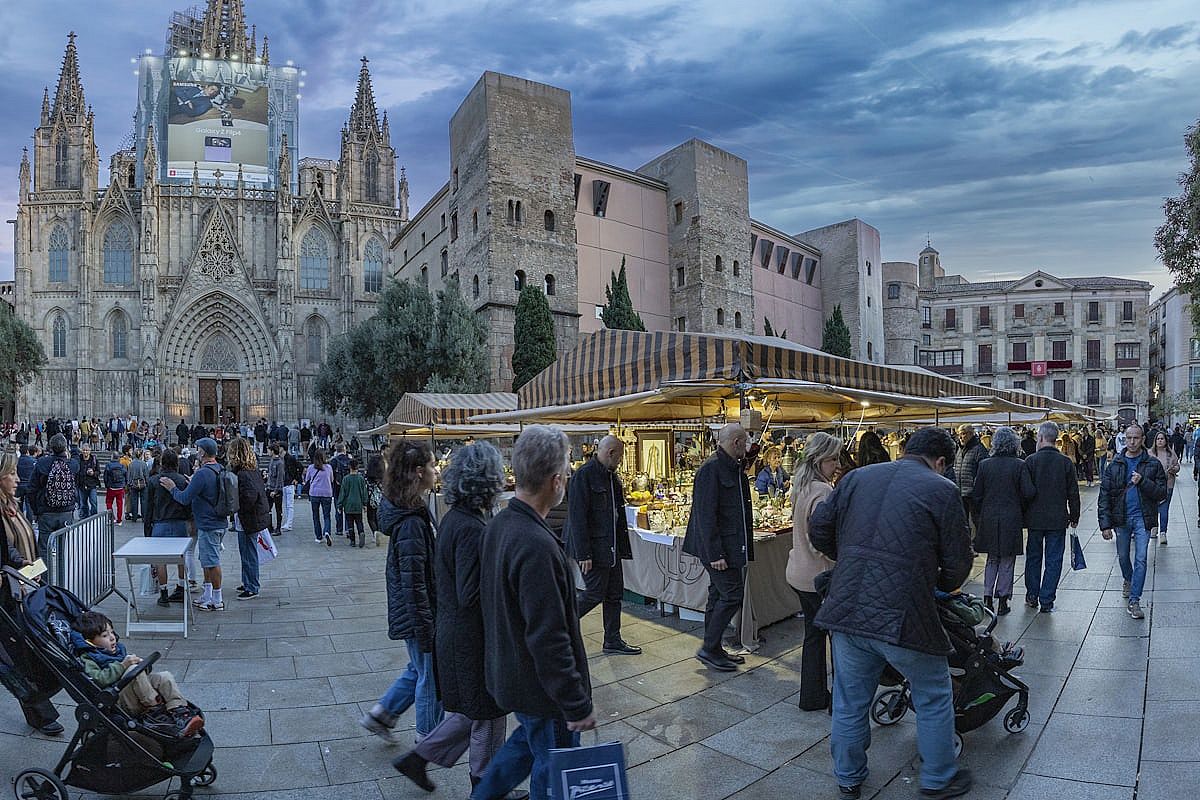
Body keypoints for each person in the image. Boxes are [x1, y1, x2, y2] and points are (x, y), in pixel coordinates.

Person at [809, 427, 974, 799]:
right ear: (942, 461)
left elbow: (819, 528)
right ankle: (938, 778)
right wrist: (939, 583)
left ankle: (848, 776)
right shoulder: (942, 489)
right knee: (933, 692)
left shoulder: (856, 478)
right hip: (904, 612)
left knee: (851, 699)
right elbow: (958, 562)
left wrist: (852, 557)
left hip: (848, 607)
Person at [472, 426, 593, 800]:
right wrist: (575, 702)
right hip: (542, 688)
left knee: (528, 741)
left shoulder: (500, 525)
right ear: (556, 481)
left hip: (514, 677)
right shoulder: (534, 543)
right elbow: (549, 636)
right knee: (552, 765)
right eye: (568, 472)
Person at [390, 443, 512, 795]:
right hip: (469, 637)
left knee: (472, 710)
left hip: (455, 632)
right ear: (488, 482)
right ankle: (486, 788)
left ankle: (417, 759)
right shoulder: (472, 527)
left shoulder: (456, 517)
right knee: (488, 710)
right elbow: (470, 593)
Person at [359, 442, 444, 743]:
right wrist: (426, 626)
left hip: (415, 609)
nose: (437, 471)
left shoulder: (412, 510)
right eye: (433, 466)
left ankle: (382, 714)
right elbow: (413, 581)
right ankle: (427, 741)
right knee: (430, 674)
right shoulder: (410, 522)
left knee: (418, 667)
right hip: (418, 612)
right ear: (419, 472)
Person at [0, 452, 64, 736]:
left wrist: (28, 566)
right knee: (13, 661)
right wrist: (17, 565)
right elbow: (6, 549)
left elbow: (15, 545)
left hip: (18, 589)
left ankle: (39, 710)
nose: (17, 478)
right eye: (11, 473)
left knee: (18, 658)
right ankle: (39, 711)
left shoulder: (11, 505)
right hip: (6, 593)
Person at [683, 423, 754, 672]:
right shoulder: (712, 469)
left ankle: (713, 647)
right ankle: (709, 648)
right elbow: (705, 514)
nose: (748, 446)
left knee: (718, 594)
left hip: (730, 545)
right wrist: (715, 553)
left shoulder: (731, 467)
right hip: (718, 549)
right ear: (735, 442)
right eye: (745, 441)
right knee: (732, 594)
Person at [565, 434, 641, 656]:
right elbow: (577, 517)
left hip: (611, 547)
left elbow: (615, 513)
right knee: (594, 593)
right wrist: (584, 553)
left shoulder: (611, 477)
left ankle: (612, 640)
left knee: (614, 594)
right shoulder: (585, 476)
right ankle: (560, 626)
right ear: (610, 453)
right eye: (619, 457)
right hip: (594, 548)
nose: (620, 461)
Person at [70, 611, 204, 737]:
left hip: (136, 693)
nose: (112, 638)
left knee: (164, 676)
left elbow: (140, 678)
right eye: (105, 635)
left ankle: (179, 710)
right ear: (89, 641)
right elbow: (100, 680)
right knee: (132, 670)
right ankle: (156, 711)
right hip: (119, 700)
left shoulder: (117, 651)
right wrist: (124, 666)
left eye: (112, 632)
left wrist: (142, 666)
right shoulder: (88, 658)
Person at [784, 432, 840, 712]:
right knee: (837, 639)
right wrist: (836, 554)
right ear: (819, 460)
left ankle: (812, 696)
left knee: (814, 635)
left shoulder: (801, 485)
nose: (837, 465)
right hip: (818, 575)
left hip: (799, 572)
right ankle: (835, 699)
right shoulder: (823, 491)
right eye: (833, 459)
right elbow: (820, 535)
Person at [1099, 425, 1167, 620]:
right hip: (1121, 519)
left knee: (1141, 558)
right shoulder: (1115, 464)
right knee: (1122, 557)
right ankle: (1129, 579)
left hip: (1142, 519)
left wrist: (1143, 481)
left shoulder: (1152, 464)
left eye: (1136, 438)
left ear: (1143, 438)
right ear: (1124, 439)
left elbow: (1161, 493)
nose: (1132, 441)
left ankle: (1135, 600)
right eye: (1129, 438)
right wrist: (1105, 525)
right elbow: (1104, 495)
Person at [970, 427, 1035, 615]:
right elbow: (1029, 492)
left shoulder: (984, 464)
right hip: (1011, 517)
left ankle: (987, 598)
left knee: (991, 559)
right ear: (1014, 444)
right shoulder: (1019, 465)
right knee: (1007, 560)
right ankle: (1003, 601)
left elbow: (977, 494)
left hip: (989, 517)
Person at [160, 437, 228, 612]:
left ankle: (217, 599)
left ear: (203, 452)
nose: (196, 452)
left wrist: (172, 488)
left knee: (212, 562)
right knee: (206, 560)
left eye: (198, 449)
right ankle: (207, 595)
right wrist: (194, 485)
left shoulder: (202, 472)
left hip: (208, 523)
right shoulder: (218, 468)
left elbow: (184, 498)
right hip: (217, 521)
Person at [1022, 422, 1081, 613]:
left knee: (1033, 557)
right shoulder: (1065, 462)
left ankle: (1032, 595)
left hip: (1035, 518)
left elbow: (1025, 491)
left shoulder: (1030, 461)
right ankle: (1047, 599)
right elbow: (1073, 492)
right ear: (1055, 439)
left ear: (1040, 438)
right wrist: (1074, 514)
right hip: (1057, 518)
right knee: (1054, 559)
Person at [144, 448, 194, 609]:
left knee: (161, 560)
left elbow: (148, 507)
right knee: (181, 558)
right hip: (179, 523)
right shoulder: (182, 480)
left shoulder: (153, 481)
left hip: (160, 523)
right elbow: (188, 503)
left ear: (161, 463)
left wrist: (147, 529)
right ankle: (180, 587)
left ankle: (164, 593)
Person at [229, 438, 270, 601]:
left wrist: (238, 508)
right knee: (245, 551)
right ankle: (247, 581)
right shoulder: (251, 470)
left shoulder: (244, 474)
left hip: (249, 519)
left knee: (249, 552)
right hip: (249, 518)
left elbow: (250, 496)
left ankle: (252, 586)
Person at [30, 434, 79, 557]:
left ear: (50, 447)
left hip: (46, 512)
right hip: (66, 512)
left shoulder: (42, 463)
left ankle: (45, 577)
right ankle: (61, 576)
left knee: (44, 550)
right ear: (65, 448)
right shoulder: (72, 464)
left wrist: (36, 511)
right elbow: (77, 461)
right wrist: (74, 445)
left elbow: (31, 489)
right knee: (62, 551)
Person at [950, 424, 987, 530]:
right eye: (959, 434)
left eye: (963, 434)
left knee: (975, 522)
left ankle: (977, 544)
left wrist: (977, 489)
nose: (960, 437)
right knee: (963, 523)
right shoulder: (959, 449)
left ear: (971, 434)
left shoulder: (979, 449)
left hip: (973, 494)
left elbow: (982, 472)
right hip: (961, 492)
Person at [1149, 430, 1180, 545]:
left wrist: (1174, 469)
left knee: (1164, 508)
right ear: (1155, 441)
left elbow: (1177, 465)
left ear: (1166, 441)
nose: (1160, 441)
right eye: (1158, 439)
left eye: (1162, 439)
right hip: (1153, 486)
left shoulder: (1170, 453)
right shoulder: (1150, 453)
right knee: (1153, 508)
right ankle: (1154, 527)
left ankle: (1163, 532)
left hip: (1168, 485)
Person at [304, 450, 335, 546]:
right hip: (327, 493)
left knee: (315, 516)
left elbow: (307, 479)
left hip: (314, 493)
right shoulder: (328, 467)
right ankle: (327, 531)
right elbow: (332, 479)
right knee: (326, 515)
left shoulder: (311, 468)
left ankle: (318, 536)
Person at [336, 458, 369, 548]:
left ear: (349, 467)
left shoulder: (346, 479)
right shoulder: (361, 478)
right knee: (359, 521)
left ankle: (352, 540)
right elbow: (364, 492)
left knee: (350, 523)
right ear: (358, 467)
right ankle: (361, 532)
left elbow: (343, 493)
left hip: (348, 505)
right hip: (358, 503)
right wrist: (365, 504)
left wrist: (339, 505)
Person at [75, 445, 101, 518]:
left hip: (92, 484)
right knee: (83, 503)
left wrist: (93, 473)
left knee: (94, 502)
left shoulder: (94, 459)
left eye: (87, 450)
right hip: (81, 484)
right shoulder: (78, 459)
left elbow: (98, 472)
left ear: (90, 451)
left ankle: (93, 517)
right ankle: (84, 517)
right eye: (84, 450)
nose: (85, 452)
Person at [103, 455, 128, 527]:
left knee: (109, 502)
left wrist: (107, 485)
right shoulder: (122, 466)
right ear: (118, 458)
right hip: (120, 488)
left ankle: (111, 518)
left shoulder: (108, 465)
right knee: (119, 504)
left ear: (112, 457)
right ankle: (119, 520)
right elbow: (126, 476)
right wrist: (124, 484)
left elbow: (105, 476)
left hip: (111, 488)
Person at [266, 444, 286, 535]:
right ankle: (269, 526)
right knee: (268, 508)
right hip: (269, 487)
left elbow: (280, 477)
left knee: (278, 509)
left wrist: (276, 490)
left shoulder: (279, 463)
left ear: (273, 451)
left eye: (269, 450)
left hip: (276, 489)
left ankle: (278, 528)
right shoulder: (271, 461)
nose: (268, 452)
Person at [127, 449, 150, 522]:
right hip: (143, 483)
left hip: (133, 483)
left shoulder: (131, 464)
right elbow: (146, 475)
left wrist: (129, 483)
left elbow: (129, 475)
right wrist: (147, 483)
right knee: (144, 501)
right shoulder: (143, 464)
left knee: (134, 501)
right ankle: (144, 517)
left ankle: (134, 517)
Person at [282, 447, 301, 532]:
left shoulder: (290, 458)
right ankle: (288, 522)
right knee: (287, 505)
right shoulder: (282, 458)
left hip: (289, 483)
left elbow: (300, 467)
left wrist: (296, 478)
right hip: (284, 483)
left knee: (289, 505)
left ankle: (289, 523)